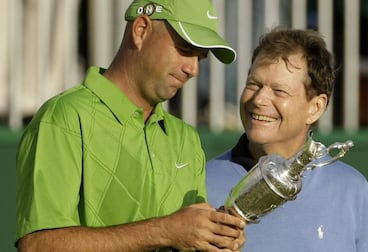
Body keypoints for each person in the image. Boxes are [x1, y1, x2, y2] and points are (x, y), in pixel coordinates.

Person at [15, 0, 246, 251]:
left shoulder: (186, 139)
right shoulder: (64, 117)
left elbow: (184, 236)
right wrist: (166, 230)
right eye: (184, 48)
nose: (193, 69)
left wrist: (214, 238)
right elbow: (38, 245)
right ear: (141, 30)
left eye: (200, 58)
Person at [206, 27, 368, 251]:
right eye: (254, 84)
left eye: (279, 91)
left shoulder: (352, 189)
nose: (260, 99)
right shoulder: (201, 181)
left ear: (316, 107)